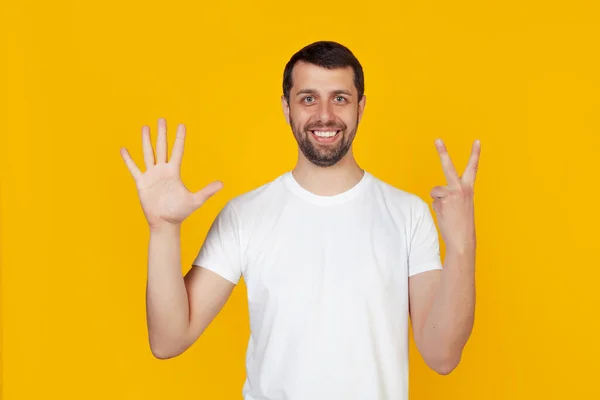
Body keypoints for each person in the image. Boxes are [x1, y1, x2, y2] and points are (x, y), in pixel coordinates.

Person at [120, 40, 480, 400]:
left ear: (361, 106)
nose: (325, 114)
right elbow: (168, 340)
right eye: (308, 98)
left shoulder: (407, 213)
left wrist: (462, 248)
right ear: (286, 107)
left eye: (340, 98)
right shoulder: (245, 215)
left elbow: (442, 355)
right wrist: (164, 229)